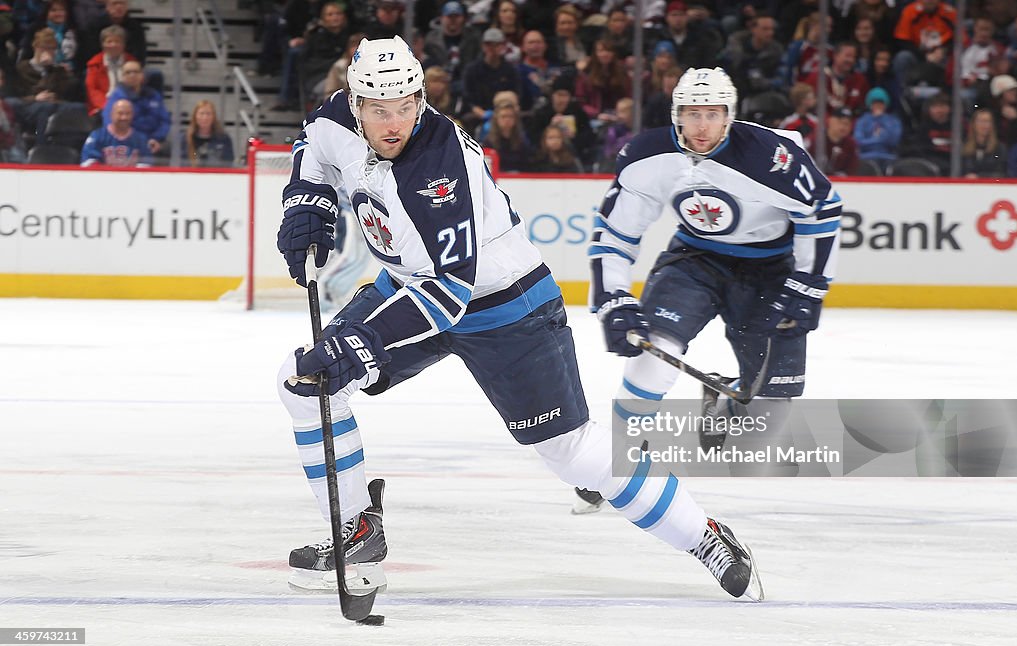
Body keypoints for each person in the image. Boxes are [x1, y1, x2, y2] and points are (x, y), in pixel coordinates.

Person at [273, 36, 764, 603]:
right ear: (356, 103)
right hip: (408, 283)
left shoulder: (439, 168)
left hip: (506, 306)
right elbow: (312, 146)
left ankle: (703, 535)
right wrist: (306, 200)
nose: (395, 122)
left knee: (570, 450)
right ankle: (358, 529)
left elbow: (448, 293)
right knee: (306, 385)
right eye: (380, 110)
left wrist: (358, 341)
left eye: (406, 106)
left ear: (420, 96)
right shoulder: (338, 116)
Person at [585, 67, 841, 496]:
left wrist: (808, 286)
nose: (702, 125)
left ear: (730, 115)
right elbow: (614, 234)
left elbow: (821, 210)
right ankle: (617, 453)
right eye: (691, 113)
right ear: (675, 114)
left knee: (770, 415)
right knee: (656, 349)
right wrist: (612, 297)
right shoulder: (647, 156)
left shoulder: (770, 155)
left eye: (713, 113)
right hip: (695, 259)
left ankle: (724, 405)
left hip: (772, 270)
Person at [102, 59, 169, 154]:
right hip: (126, 142)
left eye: (136, 72)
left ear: (142, 75)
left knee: (168, 150)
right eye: (128, 72)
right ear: (123, 76)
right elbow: (109, 122)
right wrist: (132, 140)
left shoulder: (154, 95)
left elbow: (164, 121)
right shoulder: (116, 97)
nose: (132, 75)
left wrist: (156, 138)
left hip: (153, 141)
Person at [80, 97, 151, 166]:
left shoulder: (141, 139)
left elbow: (146, 165)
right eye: (120, 113)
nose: (124, 117)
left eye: (128, 113)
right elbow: (88, 162)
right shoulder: (97, 136)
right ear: (111, 114)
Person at [181, 99, 234, 167]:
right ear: (195, 116)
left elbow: (228, 163)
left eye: (208, 114)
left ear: (213, 117)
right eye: (201, 113)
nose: (205, 117)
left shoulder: (223, 139)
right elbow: (181, 163)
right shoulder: (185, 138)